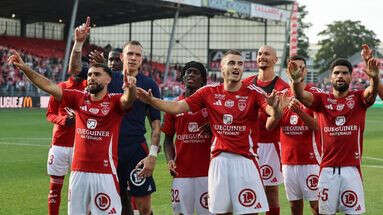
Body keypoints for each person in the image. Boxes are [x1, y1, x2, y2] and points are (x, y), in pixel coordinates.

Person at [137, 50, 282, 215]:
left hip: (246, 160)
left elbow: (272, 112)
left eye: (240, 64)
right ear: (221, 68)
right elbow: (176, 107)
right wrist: (151, 100)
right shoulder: (208, 92)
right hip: (219, 162)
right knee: (220, 212)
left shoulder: (253, 92)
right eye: (232, 63)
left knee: (249, 212)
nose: (237, 67)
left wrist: (276, 108)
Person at [8, 50, 137, 215]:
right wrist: (25, 68)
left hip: (105, 173)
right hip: (78, 173)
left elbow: (128, 100)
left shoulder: (114, 101)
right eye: (89, 74)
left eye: (97, 74)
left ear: (108, 79)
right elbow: (49, 86)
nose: (91, 77)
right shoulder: (78, 98)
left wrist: (131, 88)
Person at [69, 17, 161, 215]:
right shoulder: (108, 78)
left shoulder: (150, 84)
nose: (134, 57)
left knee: (144, 205)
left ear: (142, 59)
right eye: (130, 53)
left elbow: (155, 124)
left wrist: (152, 155)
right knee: (120, 201)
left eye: (138, 54)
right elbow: (76, 69)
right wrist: (78, 43)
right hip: (111, 152)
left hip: (137, 148)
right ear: (122, 57)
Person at [286, 55, 380, 214]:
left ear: (351, 76)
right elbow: (301, 96)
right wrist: (296, 81)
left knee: (354, 212)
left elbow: (371, 92)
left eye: (344, 73)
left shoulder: (358, 99)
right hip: (327, 171)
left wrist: (375, 79)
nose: (340, 76)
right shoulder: (322, 100)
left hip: (351, 170)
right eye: (336, 73)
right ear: (331, 77)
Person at [242, 45, 289, 215]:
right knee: (250, 191)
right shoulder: (246, 84)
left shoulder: (283, 88)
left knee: (270, 193)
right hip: (248, 145)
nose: (262, 56)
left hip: (271, 145)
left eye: (267, 54)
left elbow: (278, 120)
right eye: (260, 54)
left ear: (275, 60)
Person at [161, 61, 212, 215]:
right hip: (181, 173)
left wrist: (214, 130)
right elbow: (168, 139)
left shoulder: (211, 106)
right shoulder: (174, 106)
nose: (191, 75)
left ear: (203, 80)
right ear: (182, 79)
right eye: (188, 72)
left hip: (208, 173)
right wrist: (170, 159)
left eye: (195, 73)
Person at [279, 56, 321, 215]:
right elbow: (274, 126)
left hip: (311, 161)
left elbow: (318, 126)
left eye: (301, 68)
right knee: (294, 207)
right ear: (287, 71)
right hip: (288, 161)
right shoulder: (282, 95)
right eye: (294, 67)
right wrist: (276, 112)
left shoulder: (315, 94)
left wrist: (299, 112)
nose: (298, 71)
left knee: (316, 206)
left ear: (306, 70)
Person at [46, 68, 87, 215]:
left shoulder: (88, 89)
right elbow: (50, 114)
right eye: (74, 68)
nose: (77, 72)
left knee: (81, 190)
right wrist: (63, 120)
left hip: (81, 146)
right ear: (70, 70)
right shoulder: (61, 88)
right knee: (54, 190)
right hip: (59, 145)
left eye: (80, 70)